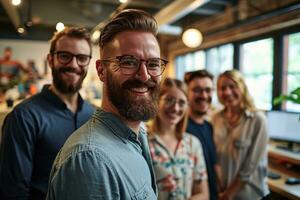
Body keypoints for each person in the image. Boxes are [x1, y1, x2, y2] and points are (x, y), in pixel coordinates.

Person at [46, 9, 167, 199]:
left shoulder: (138, 135)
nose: (144, 76)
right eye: (128, 62)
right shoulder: (90, 160)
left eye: (153, 64)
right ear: (102, 70)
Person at [0, 27, 95, 199]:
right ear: (51, 60)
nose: (74, 65)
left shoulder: (94, 115)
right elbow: (13, 192)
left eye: (81, 58)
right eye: (65, 56)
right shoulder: (23, 117)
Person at [211, 70, 269, 200]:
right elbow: (214, 157)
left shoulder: (258, 120)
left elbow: (250, 165)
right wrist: (220, 189)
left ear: (242, 87)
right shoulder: (214, 118)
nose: (227, 92)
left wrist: (228, 195)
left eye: (232, 86)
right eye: (222, 88)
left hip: (249, 195)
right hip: (221, 192)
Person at [148, 78, 209, 200]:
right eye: (169, 100)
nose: (175, 108)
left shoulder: (193, 143)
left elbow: (203, 194)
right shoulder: (143, 142)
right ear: (156, 101)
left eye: (182, 103)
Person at [184, 69, 218, 200]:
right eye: (197, 90)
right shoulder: (181, 129)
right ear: (187, 93)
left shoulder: (209, 127)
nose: (204, 95)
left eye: (208, 90)